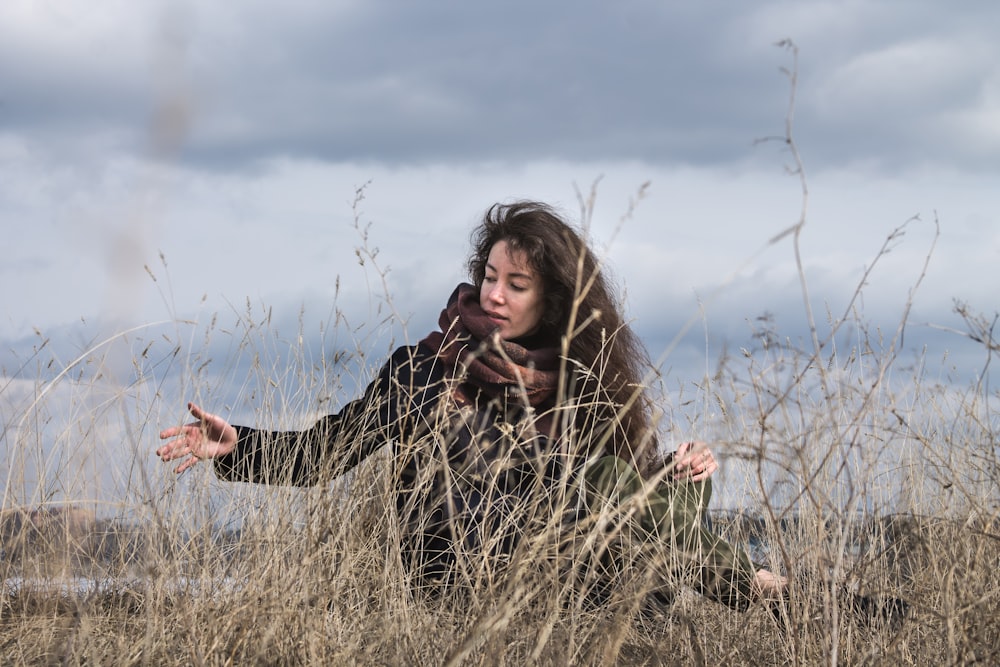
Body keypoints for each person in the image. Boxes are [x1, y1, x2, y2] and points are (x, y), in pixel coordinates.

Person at [157, 201, 787, 611]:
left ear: (556, 300)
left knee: (625, 493)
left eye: (516, 285)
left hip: (568, 585)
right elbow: (330, 451)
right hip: (459, 573)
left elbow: (632, 493)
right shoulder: (425, 369)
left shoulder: (585, 382)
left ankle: (750, 587)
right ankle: (754, 589)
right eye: (489, 275)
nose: (494, 295)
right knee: (595, 487)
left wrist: (682, 472)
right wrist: (238, 443)